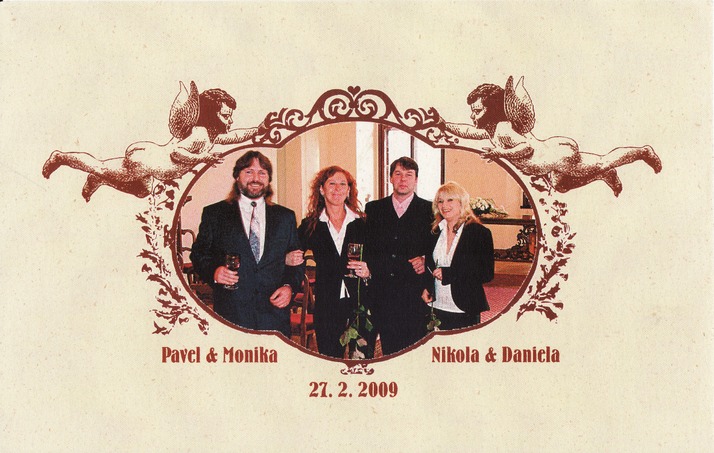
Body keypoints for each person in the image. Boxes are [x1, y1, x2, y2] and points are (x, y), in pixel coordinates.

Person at [441, 76, 661, 196]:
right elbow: (466, 131)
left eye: (477, 111)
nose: (472, 116)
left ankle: (643, 152)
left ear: (492, 110)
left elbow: (526, 148)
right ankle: (604, 175)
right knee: (561, 187)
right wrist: (443, 125)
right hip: (550, 164)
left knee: (602, 162)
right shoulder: (490, 131)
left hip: (559, 157)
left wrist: (501, 153)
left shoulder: (503, 129)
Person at [42, 82, 261, 201]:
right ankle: (61, 157)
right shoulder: (200, 134)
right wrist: (202, 157)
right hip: (145, 161)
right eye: (226, 115)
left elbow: (237, 135)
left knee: (141, 192)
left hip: (151, 167)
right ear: (212, 115)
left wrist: (259, 130)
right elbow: (177, 153)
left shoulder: (212, 137)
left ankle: (100, 180)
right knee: (100, 166)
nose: (230, 120)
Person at [189, 150, 303, 336]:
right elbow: (199, 254)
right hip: (232, 315)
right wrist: (214, 271)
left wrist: (289, 287)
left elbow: (296, 262)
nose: (255, 178)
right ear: (237, 176)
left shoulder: (285, 217)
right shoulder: (215, 214)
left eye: (262, 173)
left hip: (274, 317)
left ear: (269, 179)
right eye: (249, 172)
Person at [286, 166, 372, 358]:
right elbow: (290, 250)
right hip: (327, 304)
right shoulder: (311, 224)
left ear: (349, 190)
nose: (337, 189)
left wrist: (369, 270)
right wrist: (287, 257)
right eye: (331, 183)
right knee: (329, 359)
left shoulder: (363, 223)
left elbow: (377, 258)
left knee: (361, 360)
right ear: (322, 189)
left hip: (361, 302)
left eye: (342, 184)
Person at [364, 157, 433, 356]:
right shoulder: (374, 208)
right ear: (390, 178)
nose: (403, 179)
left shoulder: (429, 210)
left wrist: (425, 259)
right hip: (381, 291)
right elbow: (367, 245)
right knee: (388, 349)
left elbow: (436, 246)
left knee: (413, 350)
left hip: (413, 292)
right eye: (398, 174)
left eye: (409, 175)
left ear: (416, 180)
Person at [421, 182, 494, 330]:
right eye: (440, 201)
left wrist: (450, 274)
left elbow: (486, 273)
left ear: (462, 203)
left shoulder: (478, 233)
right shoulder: (434, 232)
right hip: (436, 305)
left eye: (450, 200)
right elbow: (429, 266)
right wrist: (426, 287)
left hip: (464, 306)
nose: (444, 205)